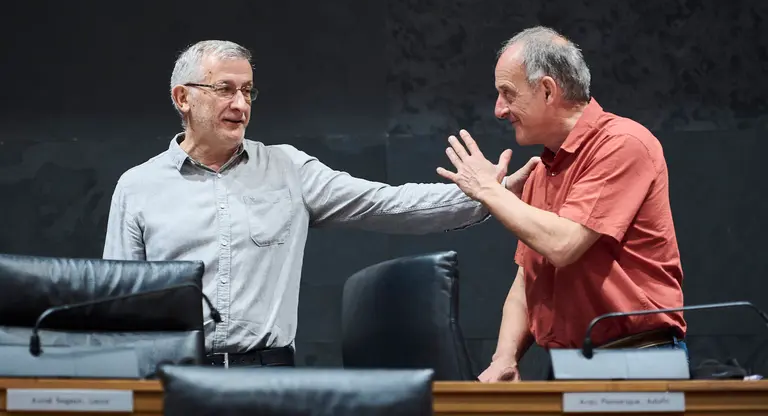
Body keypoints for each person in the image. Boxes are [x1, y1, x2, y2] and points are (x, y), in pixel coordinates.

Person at [102, 40, 537, 368]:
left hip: (267, 374)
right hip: (171, 375)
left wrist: (487, 195)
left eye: (248, 92)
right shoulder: (138, 186)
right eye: (224, 90)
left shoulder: (288, 168)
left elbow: (386, 204)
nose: (240, 104)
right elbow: (118, 307)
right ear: (183, 98)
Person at [436, 26, 686, 382]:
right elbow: (528, 278)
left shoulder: (623, 144)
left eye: (507, 93)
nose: (498, 110)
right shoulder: (541, 171)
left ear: (548, 90)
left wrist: (490, 191)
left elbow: (563, 244)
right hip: (570, 367)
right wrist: (504, 358)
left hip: (636, 361)